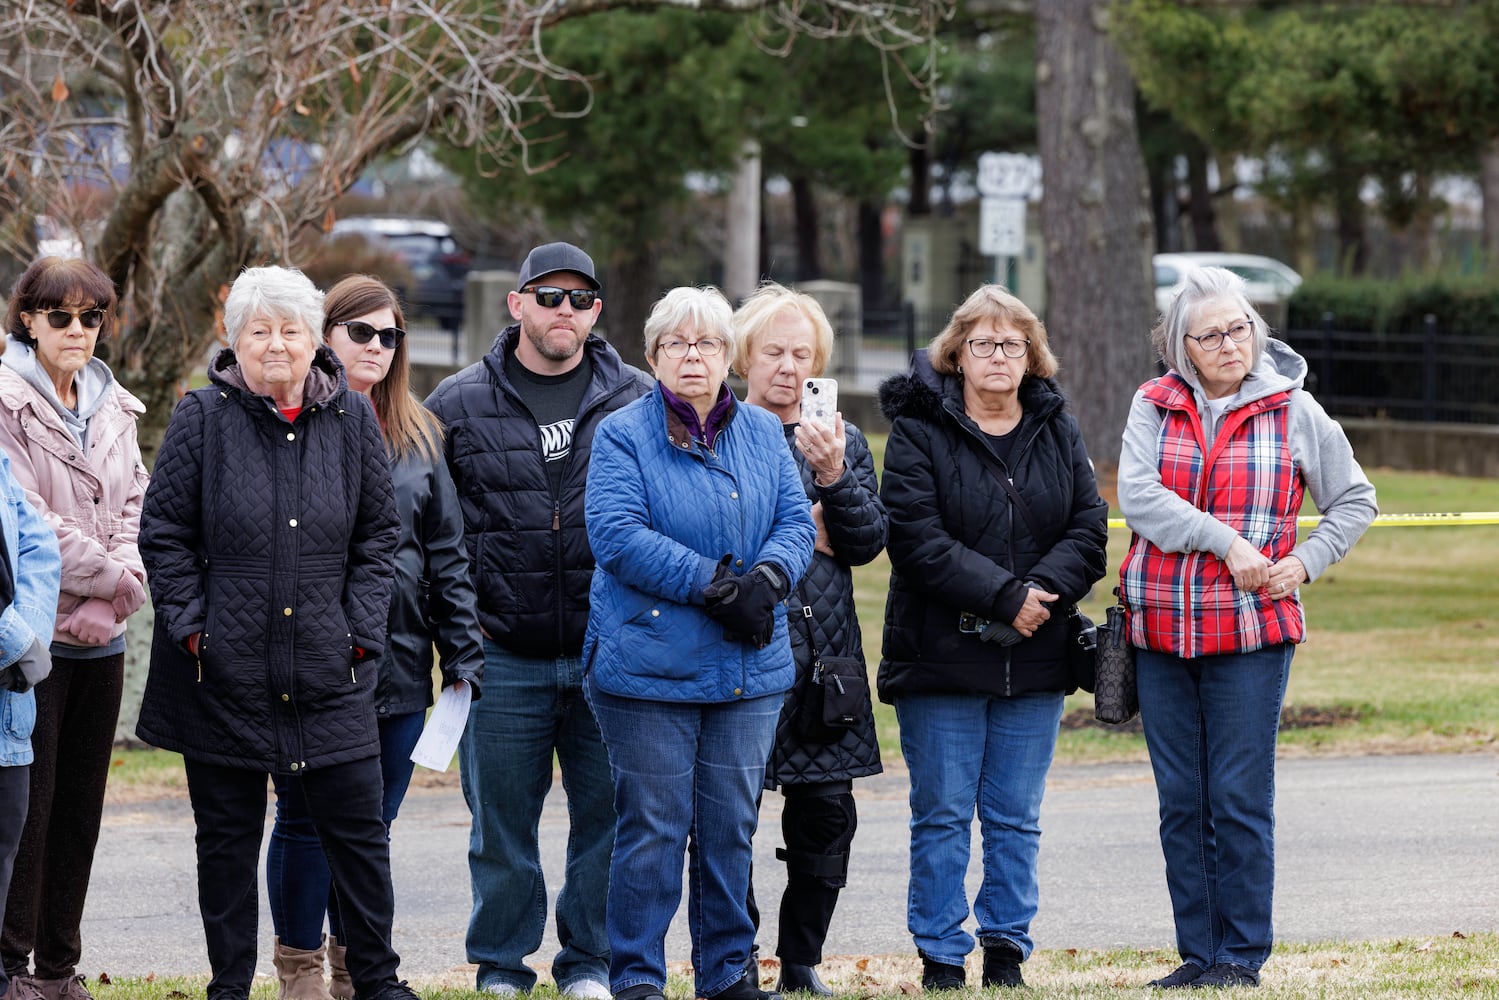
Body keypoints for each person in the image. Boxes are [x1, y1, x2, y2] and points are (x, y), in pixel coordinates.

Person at [135, 265, 418, 1000]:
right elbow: (163, 533)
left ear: (314, 341)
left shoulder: (351, 418)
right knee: (225, 842)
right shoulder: (202, 418)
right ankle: (230, 984)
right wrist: (197, 630)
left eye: (290, 330)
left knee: (357, 836)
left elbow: (377, 538)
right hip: (222, 676)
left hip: (331, 670)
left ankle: (377, 981)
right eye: (258, 331)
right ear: (235, 342)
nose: (275, 346)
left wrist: (360, 633)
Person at [1118, 266, 1377, 991]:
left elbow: (1354, 501)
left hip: (1251, 632)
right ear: (1181, 346)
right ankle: (1196, 955)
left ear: (1255, 333)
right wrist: (1221, 541)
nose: (1229, 344)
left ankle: (1240, 956)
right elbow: (1137, 495)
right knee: (1180, 800)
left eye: (1239, 329)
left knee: (1235, 796)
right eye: (1211, 334)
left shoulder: (1295, 411)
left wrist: (1304, 560)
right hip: (1161, 630)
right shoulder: (1152, 405)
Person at [424, 242, 651, 998]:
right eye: (548, 296)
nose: (565, 311)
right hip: (503, 656)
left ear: (596, 312)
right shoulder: (455, 403)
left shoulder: (637, 399)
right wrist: (461, 631)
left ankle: (588, 964)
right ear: (515, 304)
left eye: (580, 299)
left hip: (609, 655)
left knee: (610, 822)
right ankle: (500, 967)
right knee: (500, 830)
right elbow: (429, 535)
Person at [582, 285, 816, 1000]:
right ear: (652, 357)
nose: (693, 356)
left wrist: (767, 583)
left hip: (750, 667)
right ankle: (638, 980)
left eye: (708, 343)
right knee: (651, 833)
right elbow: (618, 537)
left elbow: (795, 524)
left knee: (728, 832)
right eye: (677, 344)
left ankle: (725, 976)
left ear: (727, 356)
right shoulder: (623, 434)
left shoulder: (762, 434)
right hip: (648, 667)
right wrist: (717, 587)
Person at [876, 285, 1109, 990]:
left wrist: (1038, 596)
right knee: (942, 815)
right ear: (956, 354)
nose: (998, 356)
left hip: (1036, 658)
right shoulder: (918, 429)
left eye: (1012, 344)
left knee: (1014, 817)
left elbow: (1088, 528)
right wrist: (1006, 597)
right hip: (940, 657)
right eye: (983, 343)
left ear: (1032, 355)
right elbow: (914, 539)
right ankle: (941, 955)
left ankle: (1005, 949)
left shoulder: (1056, 426)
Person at [262, 275, 485, 1000]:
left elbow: (446, 552)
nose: (378, 348)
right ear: (324, 335)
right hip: (308, 667)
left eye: (391, 336)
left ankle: (358, 969)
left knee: (369, 830)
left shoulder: (421, 434)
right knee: (302, 822)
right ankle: (298, 972)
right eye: (362, 332)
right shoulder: (288, 420)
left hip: (396, 666)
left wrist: (461, 655)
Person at [0, 258, 149, 1000]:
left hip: (103, 637)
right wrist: (113, 581)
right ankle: (15, 968)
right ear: (27, 317)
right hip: (32, 643)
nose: (78, 330)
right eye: (60, 316)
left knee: (82, 813)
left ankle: (60, 971)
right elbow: (30, 524)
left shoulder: (115, 403)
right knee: (31, 812)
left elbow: (136, 509)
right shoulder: (4, 402)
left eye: (92, 317)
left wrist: (113, 597)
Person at [731, 284, 886, 996]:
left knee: (826, 819)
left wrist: (831, 473)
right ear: (744, 358)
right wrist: (798, 540)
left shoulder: (843, 440)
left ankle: (801, 962)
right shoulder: (721, 432)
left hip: (824, 660)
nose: (788, 368)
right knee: (728, 818)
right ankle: (735, 960)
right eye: (773, 352)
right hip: (739, 654)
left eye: (802, 354)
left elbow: (863, 544)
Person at [0, 390, 63, 1000]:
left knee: (5, 848)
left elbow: (39, 549)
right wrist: (15, 638)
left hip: (9, 709)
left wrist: (26, 637)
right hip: (12, 667)